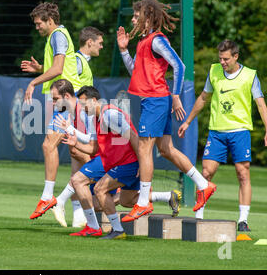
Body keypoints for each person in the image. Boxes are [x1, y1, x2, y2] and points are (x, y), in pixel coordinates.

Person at [116, 0, 216, 222]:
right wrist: (124, 51)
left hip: (156, 100)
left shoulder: (156, 40)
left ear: (148, 17)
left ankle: (142, 203)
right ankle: (203, 184)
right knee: (166, 149)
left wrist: (176, 95)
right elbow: (136, 72)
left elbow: (179, 66)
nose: (132, 19)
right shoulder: (143, 41)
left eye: (136, 15)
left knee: (144, 148)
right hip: (153, 100)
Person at [56, 86, 182, 239]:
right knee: (126, 200)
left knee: (99, 189)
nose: (82, 108)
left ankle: (116, 230)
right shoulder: (96, 118)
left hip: (128, 163)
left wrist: (142, 165)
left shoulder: (110, 115)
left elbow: (134, 137)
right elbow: (93, 148)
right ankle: (168, 196)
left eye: (84, 104)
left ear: (94, 100)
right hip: (117, 162)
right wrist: (75, 142)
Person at [178, 39, 267, 231]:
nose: (222, 62)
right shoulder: (214, 71)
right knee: (206, 173)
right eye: (220, 58)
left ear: (236, 57)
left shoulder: (250, 75)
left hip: (240, 132)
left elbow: (261, 104)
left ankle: (243, 220)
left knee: (242, 173)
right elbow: (203, 98)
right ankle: (199, 217)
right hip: (217, 132)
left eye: (226, 59)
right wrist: (188, 121)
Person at [20, 2, 85, 220]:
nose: (36, 27)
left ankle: (49, 197)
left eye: (39, 23)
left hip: (68, 99)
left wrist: (33, 82)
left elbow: (58, 69)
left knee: (51, 145)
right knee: (77, 153)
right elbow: (59, 68)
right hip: (64, 100)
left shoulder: (58, 35)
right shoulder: (54, 37)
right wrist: (40, 69)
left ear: (50, 21)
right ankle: (82, 210)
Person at [51, 26, 105, 227]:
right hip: (80, 113)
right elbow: (63, 78)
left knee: (78, 165)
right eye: (99, 42)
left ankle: (77, 216)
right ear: (89, 42)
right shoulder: (78, 61)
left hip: (79, 113)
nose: (101, 46)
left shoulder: (83, 61)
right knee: (86, 161)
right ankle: (65, 204)